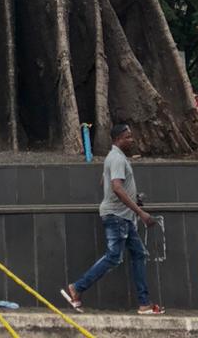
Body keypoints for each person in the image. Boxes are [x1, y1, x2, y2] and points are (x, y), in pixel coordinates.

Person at [60, 124, 165, 316]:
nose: (131, 140)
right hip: (117, 217)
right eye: (128, 137)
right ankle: (76, 287)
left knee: (139, 254)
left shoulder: (115, 158)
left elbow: (105, 182)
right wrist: (140, 212)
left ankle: (144, 303)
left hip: (123, 216)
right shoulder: (116, 158)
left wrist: (132, 198)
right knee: (114, 257)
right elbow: (116, 187)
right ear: (118, 139)